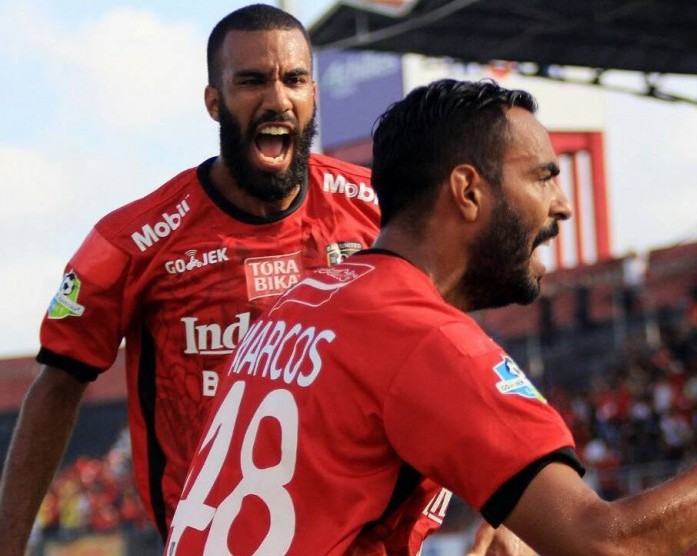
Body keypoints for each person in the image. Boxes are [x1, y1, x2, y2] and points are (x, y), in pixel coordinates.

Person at [164, 78, 697, 555]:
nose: (563, 206)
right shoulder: (422, 337)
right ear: (469, 191)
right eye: (542, 177)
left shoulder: (307, 305)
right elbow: (605, 546)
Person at [0, 6, 529, 555]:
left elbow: (457, 355)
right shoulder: (135, 242)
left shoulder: (381, 209)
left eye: (294, 79)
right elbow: (57, 385)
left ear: (314, 96)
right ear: (214, 103)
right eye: (251, 80)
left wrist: (507, 507)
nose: (277, 99)